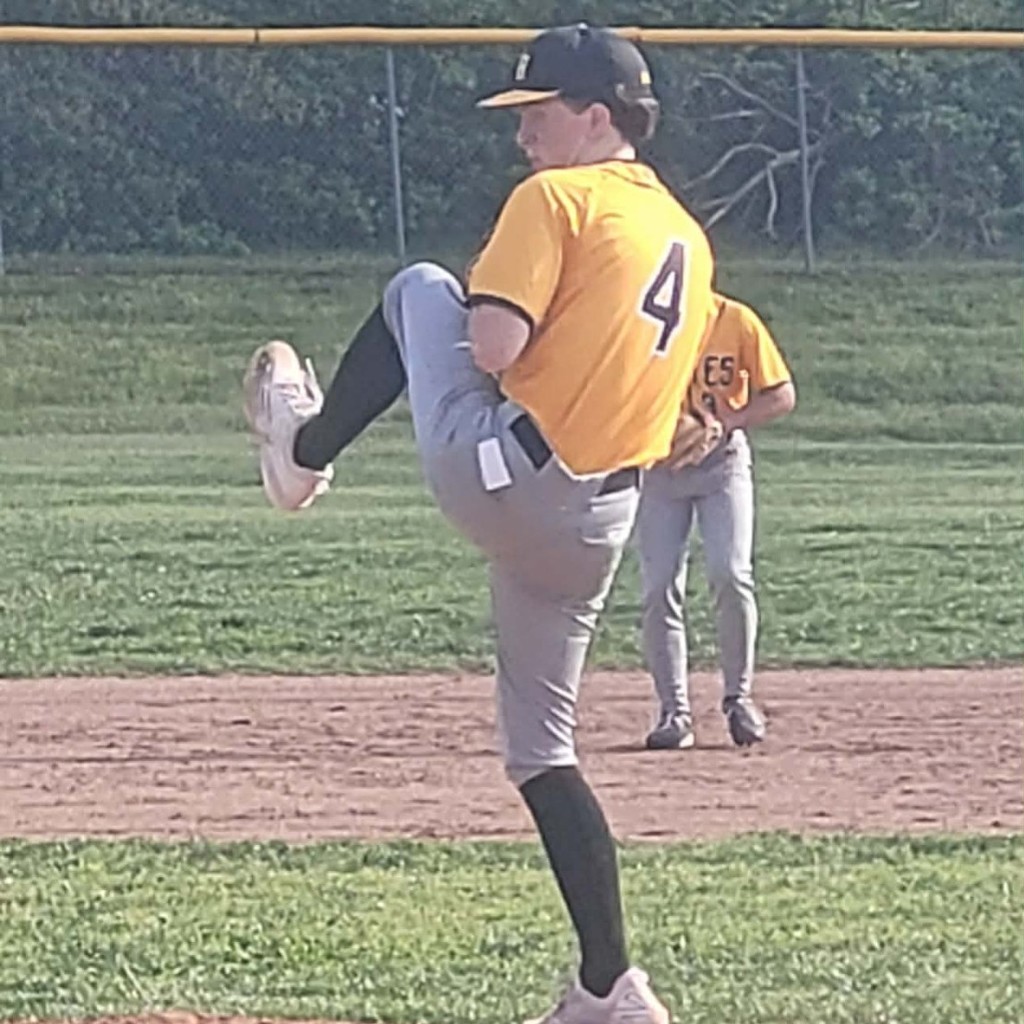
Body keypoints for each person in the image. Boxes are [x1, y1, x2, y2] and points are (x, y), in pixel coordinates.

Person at [243, 24, 715, 1024]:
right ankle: (610, 988)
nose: (524, 136)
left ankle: (301, 457)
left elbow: (494, 345)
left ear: (596, 118)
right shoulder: (685, 234)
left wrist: (475, 329)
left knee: (419, 287)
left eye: (538, 114)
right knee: (542, 751)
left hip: (506, 475)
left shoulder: (556, 198)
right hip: (600, 519)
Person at [637, 292, 796, 751]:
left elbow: (782, 394)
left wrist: (728, 422)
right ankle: (674, 712)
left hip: (721, 463)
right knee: (659, 585)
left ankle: (739, 698)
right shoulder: (644, 323)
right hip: (658, 467)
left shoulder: (735, 320)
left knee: (730, 573)